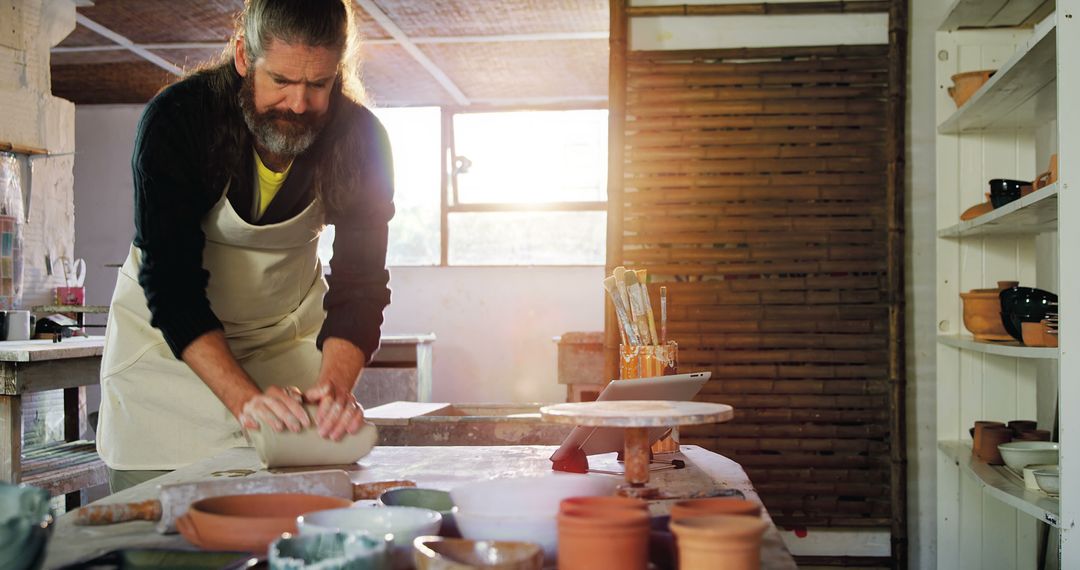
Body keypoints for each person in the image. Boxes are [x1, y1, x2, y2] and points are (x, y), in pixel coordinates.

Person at [96, 0, 394, 492]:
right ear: (242, 56)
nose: (298, 104)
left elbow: (361, 284)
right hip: (170, 353)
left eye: (318, 84)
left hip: (284, 343)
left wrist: (333, 392)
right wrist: (243, 400)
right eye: (280, 80)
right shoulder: (179, 120)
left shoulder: (361, 139)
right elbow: (173, 285)